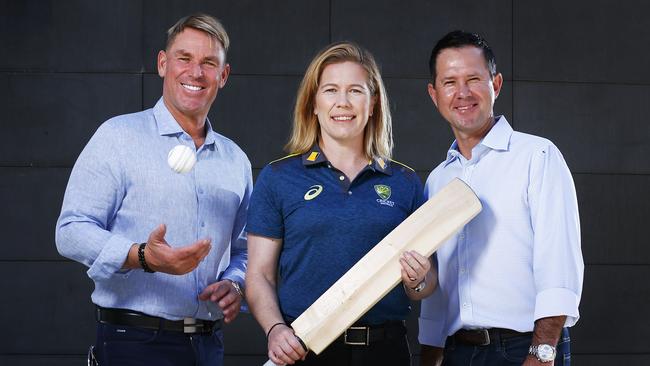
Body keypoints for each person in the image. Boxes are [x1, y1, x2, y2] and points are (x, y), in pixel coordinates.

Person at [55, 14, 251, 366]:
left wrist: (234, 285)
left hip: (209, 346)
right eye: (184, 58)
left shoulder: (236, 160)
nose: (196, 73)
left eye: (209, 63)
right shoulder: (118, 136)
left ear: (223, 76)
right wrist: (142, 256)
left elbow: (246, 249)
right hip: (133, 343)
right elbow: (70, 231)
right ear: (163, 64)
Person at [245, 42, 436, 366]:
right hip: (305, 350)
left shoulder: (404, 183)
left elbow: (426, 286)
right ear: (314, 103)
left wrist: (419, 278)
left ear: (373, 103)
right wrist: (275, 329)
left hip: (385, 351)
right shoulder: (278, 178)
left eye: (356, 91)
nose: (343, 103)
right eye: (331, 90)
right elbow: (259, 275)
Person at [418, 31, 584, 366]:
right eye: (449, 82)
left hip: (524, 350)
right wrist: (431, 355)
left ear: (495, 84)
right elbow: (439, 290)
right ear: (434, 95)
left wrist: (542, 353)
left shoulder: (537, 156)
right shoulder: (437, 180)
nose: (462, 93)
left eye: (473, 79)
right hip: (457, 353)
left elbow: (559, 264)